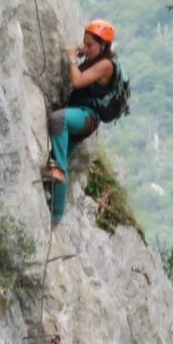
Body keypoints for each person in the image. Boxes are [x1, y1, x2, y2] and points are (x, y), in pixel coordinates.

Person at [42, 19, 117, 227]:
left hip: (87, 116)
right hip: (81, 114)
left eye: (91, 45)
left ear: (103, 47)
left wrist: (73, 60)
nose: (86, 47)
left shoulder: (105, 65)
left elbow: (77, 81)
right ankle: (54, 216)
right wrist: (82, 53)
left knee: (58, 121)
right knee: (59, 159)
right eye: (85, 43)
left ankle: (56, 217)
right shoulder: (95, 59)